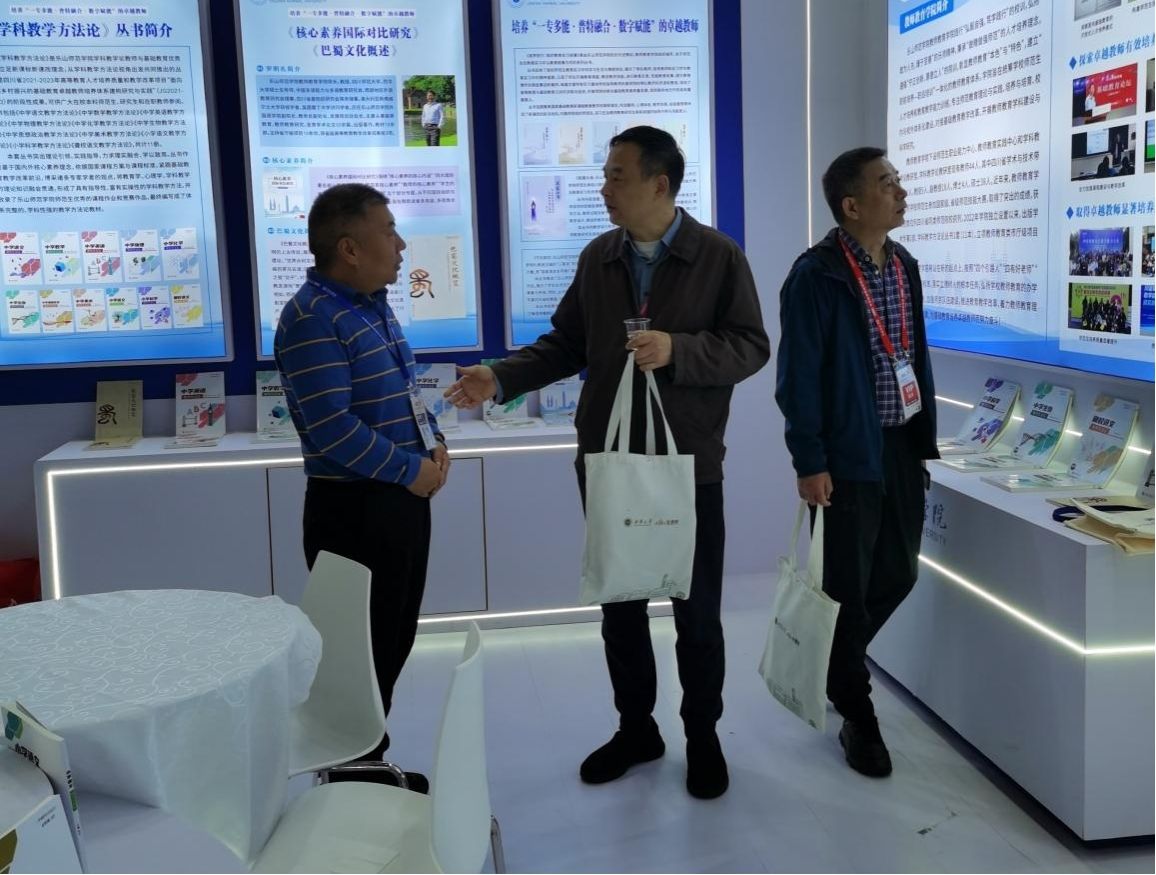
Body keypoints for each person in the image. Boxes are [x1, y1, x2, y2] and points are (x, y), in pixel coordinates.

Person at [445, 126, 769, 799]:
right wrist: (500, 377)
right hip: (609, 460)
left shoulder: (717, 256)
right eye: (605, 175)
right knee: (620, 606)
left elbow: (750, 346)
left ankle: (702, 735)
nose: (604, 189)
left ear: (660, 183)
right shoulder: (599, 257)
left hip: (688, 466)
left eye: (617, 175)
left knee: (696, 613)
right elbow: (566, 343)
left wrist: (678, 349)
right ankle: (637, 728)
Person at [274, 183, 450, 791]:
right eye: (389, 231)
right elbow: (333, 429)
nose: (400, 245)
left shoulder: (371, 305)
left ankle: (365, 763)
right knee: (360, 653)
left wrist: (433, 442)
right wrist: (411, 470)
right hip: (354, 511)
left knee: (391, 642)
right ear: (349, 248)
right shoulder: (311, 319)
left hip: (398, 501)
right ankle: (353, 778)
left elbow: (404, 388)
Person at [775, 147, 938, 778]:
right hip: (845, 455)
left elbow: (914, 357)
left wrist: (922, 441)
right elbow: (798, 378)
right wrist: (809, 459)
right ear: (851, 204)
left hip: (900, 445)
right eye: (887, 183)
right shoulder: (816, 275)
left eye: (898, 180)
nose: (901, 191)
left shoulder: (904, 265)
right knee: (845, 586)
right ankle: (857, 711)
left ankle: (833, 665)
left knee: (898, 573)